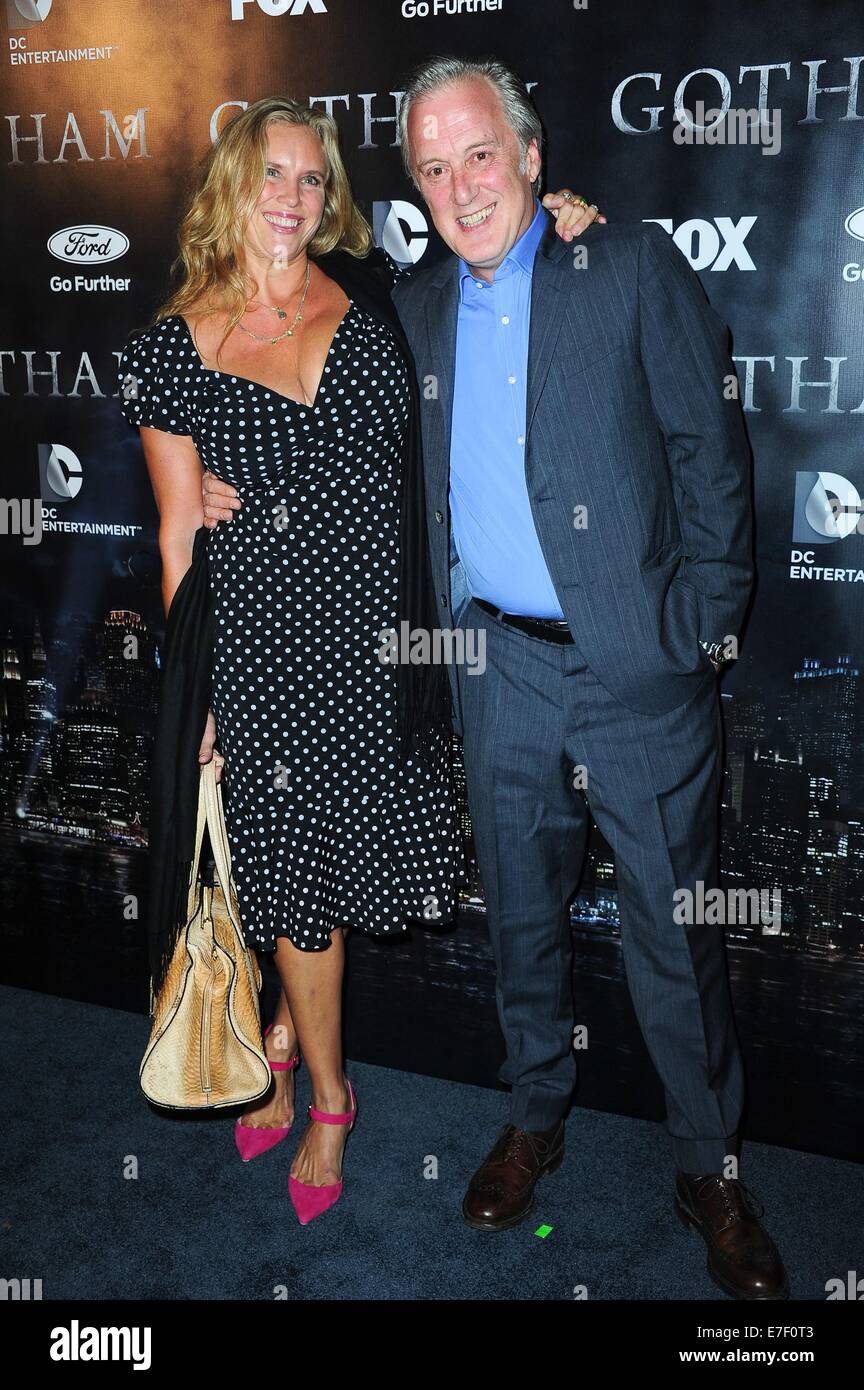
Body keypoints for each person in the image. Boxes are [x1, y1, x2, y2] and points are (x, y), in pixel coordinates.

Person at [206, 55, 790, 1299]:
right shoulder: (405, 311)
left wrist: (696, 628)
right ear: (411, 184)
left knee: (676, 937)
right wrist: (222, 486)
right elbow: (298, 392)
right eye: (431, 164)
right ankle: (535, 1117)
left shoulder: (627, 265)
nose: (460, 183)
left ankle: (710, 1168)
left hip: (640, 671)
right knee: (521, 917)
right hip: (498, 672)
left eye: (481, 153)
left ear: (531, 158)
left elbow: (712, 452)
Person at [118, 94, 598, 1226]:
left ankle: (288, 1041)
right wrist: (198, 701)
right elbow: (179, 534)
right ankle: (330, 1097)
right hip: (262, 655)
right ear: (230, 188)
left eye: (310, 178)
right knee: (293, 889)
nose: (291, 199)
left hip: (379, 647)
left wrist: (569, 219)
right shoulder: (168, 351)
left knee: (330, 872)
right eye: (270, 175)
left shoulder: (381, 290)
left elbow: (498, 274)